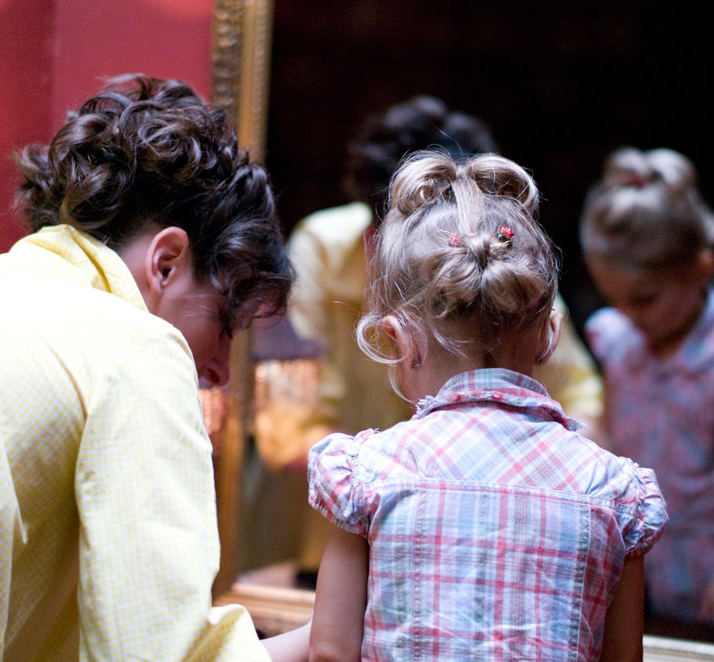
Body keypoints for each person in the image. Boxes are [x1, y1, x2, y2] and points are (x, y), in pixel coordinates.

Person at [0, 74, 309, 662]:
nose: (217, 370)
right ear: (165, 262)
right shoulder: (137, 349)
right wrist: (328, 635)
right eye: (225, 325)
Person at [307, 150, 667, 662]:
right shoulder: (610, 490)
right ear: (549, 337)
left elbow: (330, 654)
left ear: (400, 341)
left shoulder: (366, 474)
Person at [250, 96, 605, 583]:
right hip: (321, 546)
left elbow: (585, 408)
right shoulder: (320, 248)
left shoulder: (499, 260)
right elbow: (285, 426)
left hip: (474, 548)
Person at [579, 147, 714, 645]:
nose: (628, 314)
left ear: (701, 268)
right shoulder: (617, 338)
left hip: (711, 559)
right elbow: (609, 425)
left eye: (644, 299)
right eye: (614, 299)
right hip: (635, 550)